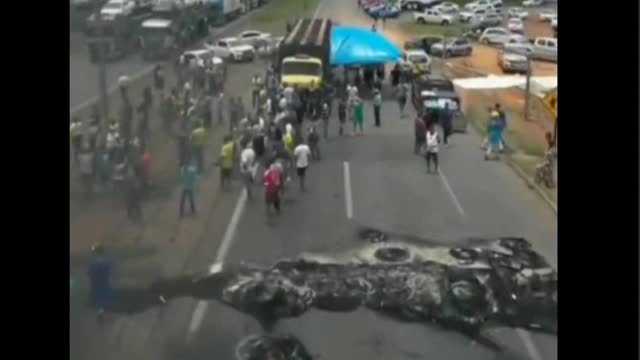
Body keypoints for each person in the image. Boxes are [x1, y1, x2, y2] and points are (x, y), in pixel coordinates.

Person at [88, 243, 113, 324]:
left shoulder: (93, 262)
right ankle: (101, 312)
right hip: (104, 281)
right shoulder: (108, 260)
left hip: (96, 283)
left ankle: (100, 313)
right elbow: (110, 270)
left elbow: (90, 273)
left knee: (99, 299)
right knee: (103, 298)